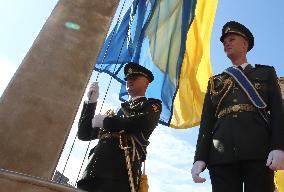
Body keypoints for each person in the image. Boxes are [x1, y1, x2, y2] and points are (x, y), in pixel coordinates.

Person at [191, 21, 284, 192]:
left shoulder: (265, 73)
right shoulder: (215, 82)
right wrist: (199, 158)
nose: (227, 43)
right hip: (220, 155)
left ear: (245, 43)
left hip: (259, 152)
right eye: (224, 41)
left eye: (232, 39)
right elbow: (206, 124)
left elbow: (278, 113)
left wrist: (279, 147)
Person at [76, 62, 162, 192]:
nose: (129, 81)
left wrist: (106, 122)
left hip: (119, 174)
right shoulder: (116, 111)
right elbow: (84, 134)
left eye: (134, 78)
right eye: (127, 79)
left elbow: (142, 123)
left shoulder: (152, 106)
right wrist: (90, 103)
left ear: (146, 83)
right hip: (93, 172)